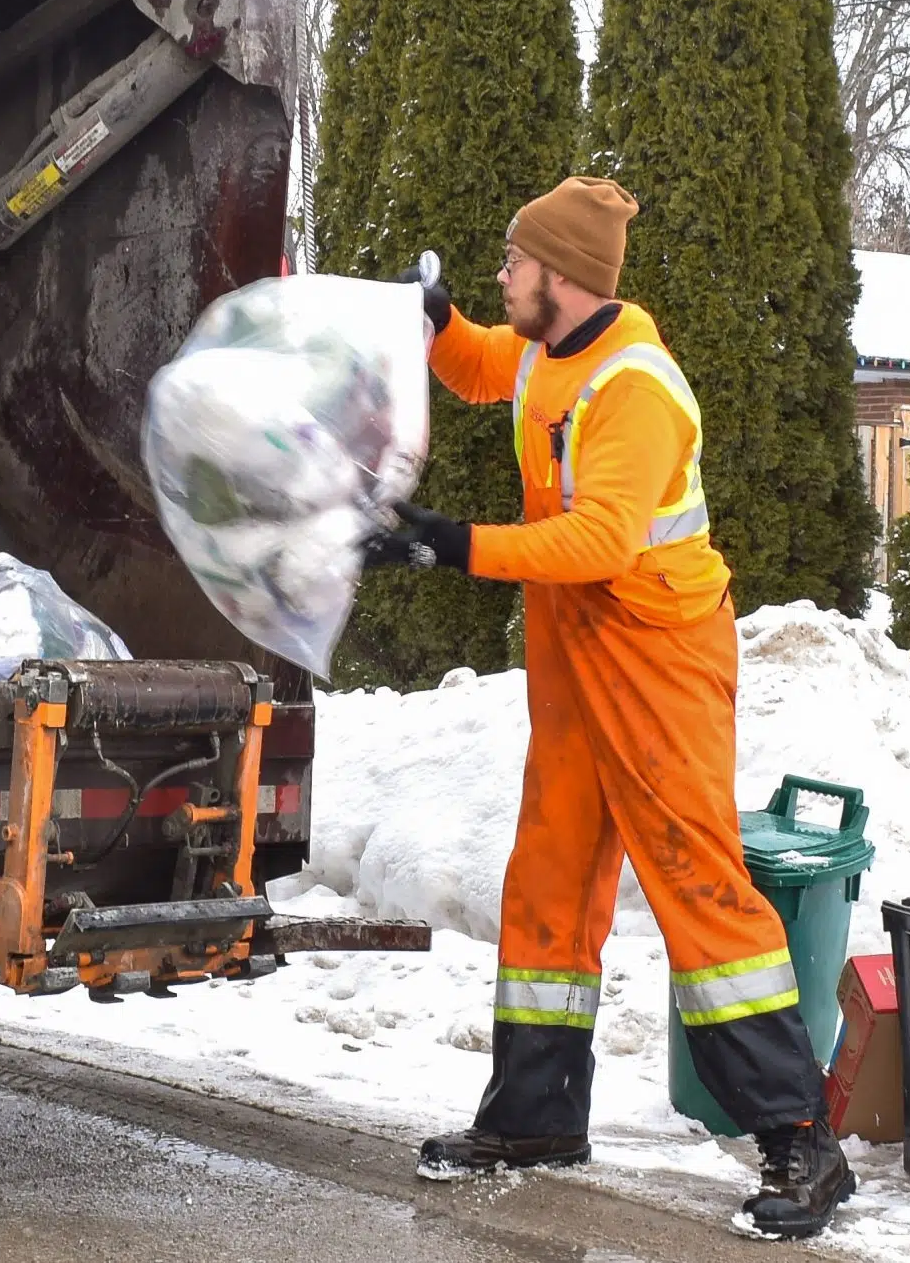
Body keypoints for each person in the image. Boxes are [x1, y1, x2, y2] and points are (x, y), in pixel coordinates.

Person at [363, 175, 853, 1240]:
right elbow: (488, 366)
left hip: (658, 656)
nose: (502, 275)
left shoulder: (636, 387)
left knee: (696, 887)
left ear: (564, 274)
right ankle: (533, 1121)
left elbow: (599, 541)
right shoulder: (549, 347)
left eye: (513, 263)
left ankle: (801, 1143)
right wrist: (438, 324)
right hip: (579, 654)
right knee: (549, 875)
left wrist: (453, 544)